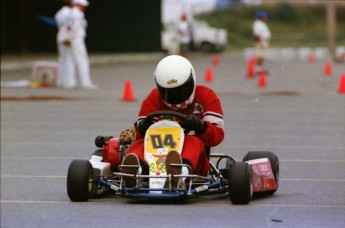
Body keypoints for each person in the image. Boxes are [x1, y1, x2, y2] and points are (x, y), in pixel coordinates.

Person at [121, 55, 224, 187]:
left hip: (195, 164)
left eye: (181, 90)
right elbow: (140, 136)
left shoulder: (206, 96)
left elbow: (218, 136)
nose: (177, 96)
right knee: (140, 144)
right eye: (170, 92)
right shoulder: (153, 98)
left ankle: (180, 173)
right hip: (154, 160)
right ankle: (135, 172)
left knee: (194, 141)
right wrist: (143, 128)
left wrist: (201, 127)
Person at [55, 0, 97, 90]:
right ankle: (86, 83)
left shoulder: (63, 13)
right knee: (81, 60)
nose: (84, 8)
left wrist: (66, 37)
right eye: (82, 5)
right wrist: (68, 37)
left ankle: (68, 82)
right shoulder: (75, 13)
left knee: (67, 60)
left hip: (65, 38)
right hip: (74, 39)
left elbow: (62, 23)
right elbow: (70, 26)